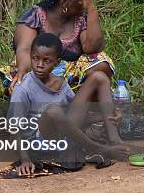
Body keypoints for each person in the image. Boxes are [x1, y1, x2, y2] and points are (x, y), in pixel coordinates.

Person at [8, 33, 129, 176]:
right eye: (35, 58)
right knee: (53, 110)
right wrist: (25, 159)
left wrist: (105, 117)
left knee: (99, 77)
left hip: (65, 136)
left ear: (57, 62)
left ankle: (114, 140)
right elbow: (14, 128)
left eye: (46, 60)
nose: (39, 65)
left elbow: (72, 118)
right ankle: (98, 148)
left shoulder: (61, 83)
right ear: (31, 57)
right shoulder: (23, 88)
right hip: (40, 142)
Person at [0, 0, 115, 97]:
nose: (83, 3)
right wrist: (23, 73)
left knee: (102, 63)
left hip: (69, 79)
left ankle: (75, 104)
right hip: (37, 72)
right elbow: (25, 49)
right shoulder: (34, 17)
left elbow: (92, 48)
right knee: (19, 84)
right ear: (65, 4)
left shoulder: (80, 17)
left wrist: (91, 8)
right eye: (80, 0)